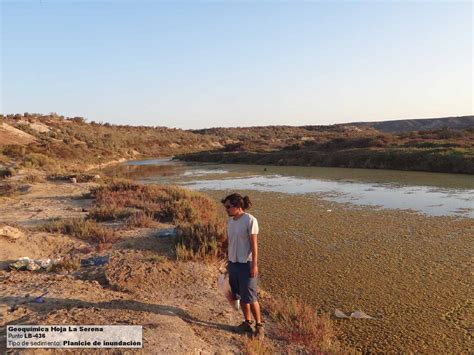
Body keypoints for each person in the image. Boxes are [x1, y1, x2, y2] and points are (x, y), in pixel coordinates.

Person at [221, 193, 264, 338]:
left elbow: (254, 244)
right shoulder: (231, 221)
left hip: (247, 264)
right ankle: (247, 323)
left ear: (237, 206)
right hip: (233, 263)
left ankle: (259, 326)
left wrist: (254, 265)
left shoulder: (250, 220)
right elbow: (231, 243)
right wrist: (228, 263)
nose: (226, 209)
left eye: (228, 206)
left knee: (251, 296)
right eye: (225, 207)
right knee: (239, 295)